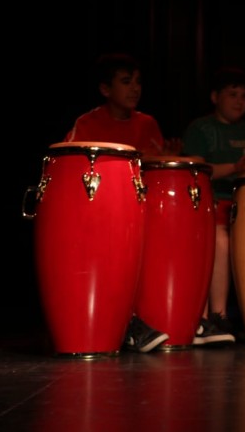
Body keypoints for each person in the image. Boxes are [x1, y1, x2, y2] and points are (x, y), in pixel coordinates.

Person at [63, 51, 177, 353]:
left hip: (140, 210)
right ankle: (126, 322)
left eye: (138, 82)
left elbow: (154, 169)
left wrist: (163, 158)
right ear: (105, 89)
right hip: (98, 215)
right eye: (126, 82)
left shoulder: (147, 123)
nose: (135, 89)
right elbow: (69, 167)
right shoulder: (87, 123)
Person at [182, 66, 245, 345]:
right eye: (233, 94)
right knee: (221, 239)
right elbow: (196, 169)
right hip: (211, 205)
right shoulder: (202, 128)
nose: (240, 101)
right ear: (215, 97)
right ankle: (217, 316)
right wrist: (235, 168)